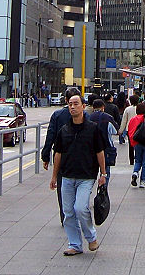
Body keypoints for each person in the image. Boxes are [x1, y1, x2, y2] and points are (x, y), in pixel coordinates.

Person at [50, 94, 106, 256]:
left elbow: (99, 151)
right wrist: (54, 177)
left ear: (83, 106)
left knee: (80, 208)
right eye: (70, 104)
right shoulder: (64, 130)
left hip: (86, 176)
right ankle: (75, 244)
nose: (72, 107)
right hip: (66, 176)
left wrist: (103, 173)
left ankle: (91, 237)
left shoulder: (93, 128)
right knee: (68, 212)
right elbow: (58, 153)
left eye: (76, 104)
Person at [41, 86, 82, 224]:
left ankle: (65, 216)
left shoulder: (57, 115)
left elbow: (50, 136)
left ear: (65, 99)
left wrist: (45, 155)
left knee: (63, 187)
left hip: (62, 156)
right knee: (80, 184)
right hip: (81, 157)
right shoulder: (85, 115)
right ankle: (76, 213)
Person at [88, 99, 118, 181]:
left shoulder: (88, 117)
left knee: (92, 169)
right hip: (106, 146)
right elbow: (115, 131)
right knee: (105, 169)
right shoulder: (108, 117)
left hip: (91, 147)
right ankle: (103, 188)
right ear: (103, 107)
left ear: (93, 107)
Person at [128, 102, 145, 188]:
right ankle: (143, 181)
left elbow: (130, 132)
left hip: (137, 143)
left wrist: (132, 142)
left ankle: (135, 172)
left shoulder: (133, 119)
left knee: (138, 160)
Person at [119, 95, 140, 163]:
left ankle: (131, 160)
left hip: (129, 129)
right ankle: (138, 158)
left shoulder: (127, 109)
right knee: (138, 144)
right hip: (139, 128)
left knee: (131, 145)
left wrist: (121, 130)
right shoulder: (140, 108)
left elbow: (124, 120)